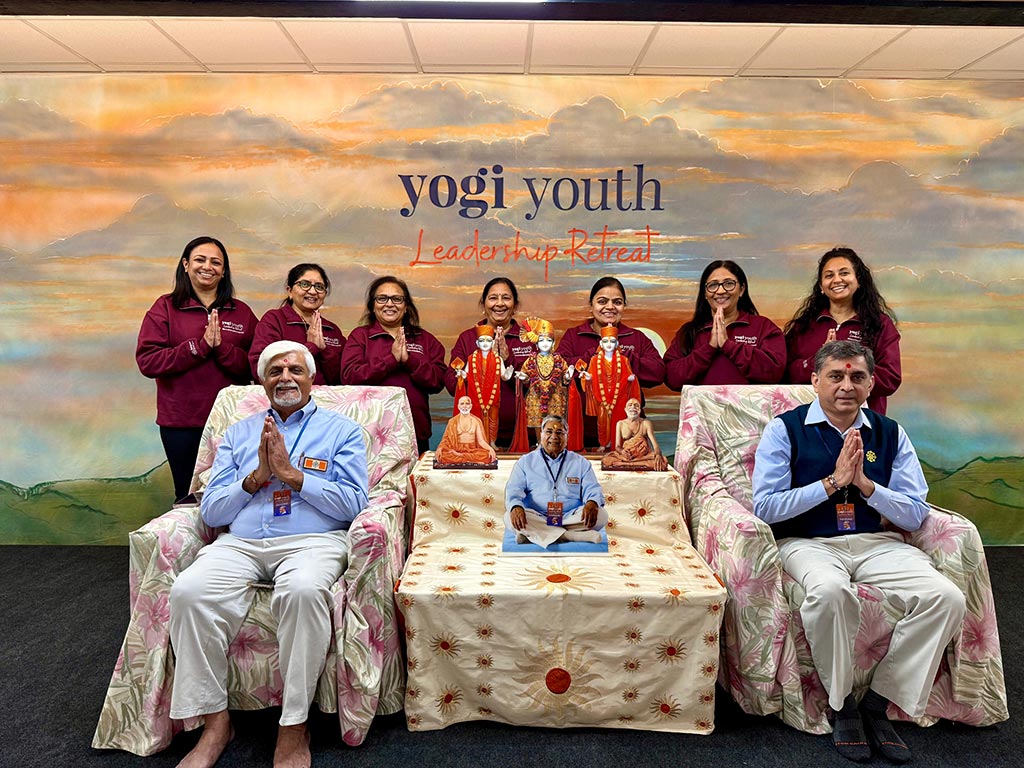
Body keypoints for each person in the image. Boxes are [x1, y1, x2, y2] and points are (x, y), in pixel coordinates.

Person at [752, 340, 965, 764]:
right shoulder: (785, 429)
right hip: (807, 542)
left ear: (871, 384)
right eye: (836, 376)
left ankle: (879, 701)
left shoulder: (890, 433)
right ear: (815, 381)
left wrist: (866, 486)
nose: (846, 386)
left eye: (857, 377)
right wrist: (832, 483)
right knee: (830, 592)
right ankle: (842, 704)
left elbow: (914, 512)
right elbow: (766, 508)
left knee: (947, 598)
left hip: (876, 543)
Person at [168, 340, 369, 768]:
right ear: (262, 382)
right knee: (188, 591)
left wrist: (293, 476)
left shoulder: (342, 431)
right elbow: (211, 510)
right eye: (275, 371)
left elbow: (354, 504)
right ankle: (215, 723)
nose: (285, 378)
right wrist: (256, 477)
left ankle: (294, 726)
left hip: (313, 541)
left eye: (295, 370)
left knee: (303, 591)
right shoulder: (239, 434)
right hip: (241, 542)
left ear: (312, 378)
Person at [137, 236, 257, 503]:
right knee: (188, 496)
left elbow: (256, 366)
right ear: (185, 265)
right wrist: (198, 348)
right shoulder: (165, 308)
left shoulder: (241, 312)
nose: (207, 267)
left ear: (224, 271)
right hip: (181, 422)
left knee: (236, 494)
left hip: (233, 422)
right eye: (200, 260)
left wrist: (222, 349)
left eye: (216, 262)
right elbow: (148, 361)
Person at [785, 247, 901, 414]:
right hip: (808, 422)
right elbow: (786, 373)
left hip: (862, 422)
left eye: (844, 273)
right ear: (821, 286)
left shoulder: (880, 324)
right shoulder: (804, 325)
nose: (837, 280)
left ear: (858, 280)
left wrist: (848, 364)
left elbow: (891, 378)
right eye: (829, 275)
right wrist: (819, 360)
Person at [339, 276, 446, 456]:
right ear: (373, 305)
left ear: (406, 306)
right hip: (370, 434)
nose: (389, 304)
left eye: (397, 299)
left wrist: (409, 361)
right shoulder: (360, 336)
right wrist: (391, 360)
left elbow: (438, 381)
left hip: (415, 433)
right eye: (382, 298)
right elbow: (349, 377)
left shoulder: (424, 339)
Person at [557, 276, 664, 448]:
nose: (610, 307)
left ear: (624, 306)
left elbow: (658, 372)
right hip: (581, 432)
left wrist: (625, 360)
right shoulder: (574, 336)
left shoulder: (636, 337)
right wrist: (594, 357)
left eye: (617, 302)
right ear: (591, 306)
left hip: (629, 435)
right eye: (602, 301)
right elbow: (559, 367)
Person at [664, 260, 785, 389]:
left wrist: (729, 346)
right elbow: (671, 378)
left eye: (729, 284)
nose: (721, 291)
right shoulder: (689, 331)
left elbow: (775, 372)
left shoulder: (763, 327)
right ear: (705, 293)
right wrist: (709, 348)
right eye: (713, 285)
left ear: (741, 289)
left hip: (750, 403)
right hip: (703, 403)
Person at [445, 277, 535, 448]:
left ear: (515, 305)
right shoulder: (467, 338)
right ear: (483, 304)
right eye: (493, 298)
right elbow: (451, 385)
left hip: (522, 436)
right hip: (474, 437)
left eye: (506, 298)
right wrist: (479, 362)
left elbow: (537, 386)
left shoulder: (528, 339)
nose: (499, 303)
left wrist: (508, 359)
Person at [505, 415, 607, 548]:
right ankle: (570, 536)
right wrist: (516, 507)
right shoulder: (525, 462)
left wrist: (592, 502)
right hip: (538, 516)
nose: (554, 437)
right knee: (508, 517)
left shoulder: (581, 462)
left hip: (570, 516)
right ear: (541, 435)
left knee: (601, 515)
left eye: (559, 432)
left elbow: (592, 488)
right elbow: (514, 490)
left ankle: (534, 534)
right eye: (549, 432)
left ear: (567, 437)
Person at [249, 263, 345, 385]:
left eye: (319, 287)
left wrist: (324, 351)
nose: (313, 291)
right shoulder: (274, 320)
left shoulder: (332, 330)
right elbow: (259, 367)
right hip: (284, 393)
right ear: (290, 291)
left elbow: (342, 378)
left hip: (326, 396)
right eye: (305, 284)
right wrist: (310, 347)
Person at [451, 324, 513, 447]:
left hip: (493, 396)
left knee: (493, 419)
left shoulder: (498, 359)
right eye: (482, 340)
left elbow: (503, 377)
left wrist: (508, 374)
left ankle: (492, 442)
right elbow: (467, 374)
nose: (485, 343)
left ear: (493, 343)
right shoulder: (471, 359)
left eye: (488, 341)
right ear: (477, 343)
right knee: (476, 418)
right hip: (476, 396)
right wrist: (461, 374)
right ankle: (477, 442)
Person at [581, 326, 640, 452]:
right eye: (605, 341)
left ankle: (617, 444)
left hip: (619, 396)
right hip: (601, 396)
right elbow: (591, 376)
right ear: (601, 343)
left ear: (617, 344)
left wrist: (630, 379)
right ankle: (603, 444)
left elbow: (628, 376)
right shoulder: (594, 360)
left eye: (612, 341)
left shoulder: (623, 360)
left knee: (619, 421)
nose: (609, 344)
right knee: (602, 422)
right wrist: (588, 378)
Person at [516, 317, 572, 438]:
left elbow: (564, 376)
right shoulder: (531, 359)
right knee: (537, 420)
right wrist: (523, 377)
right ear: (536, 344)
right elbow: (526, 375)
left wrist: (568, 376)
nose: (545, 343)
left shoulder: (558, 359)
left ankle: (554, 442)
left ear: (553, 343)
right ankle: (540, 442)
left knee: (554, 421)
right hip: (536, 395)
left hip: (555, 395)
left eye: (548, 340)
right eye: (541, 340)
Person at [602, 397, 667, 470]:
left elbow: (655, 446)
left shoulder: (646, 423)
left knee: (662, 461)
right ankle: (633, 463)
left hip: (643, 456)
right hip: (627, 456)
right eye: (630, 405)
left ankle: (627, 464)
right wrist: (622, 451)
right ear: (625, 409)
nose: (633, 407)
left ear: (639, 410)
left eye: (636, 405)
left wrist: (658, 454)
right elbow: (617, 446)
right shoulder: (620, 424)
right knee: (606, 460)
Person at [434, 396, 498, 466]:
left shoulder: (476, 421)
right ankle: (469, 460)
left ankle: (462, 458)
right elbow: (445, 439)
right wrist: (440, 448)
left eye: (467, 403)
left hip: (472, 450)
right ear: (458, 406)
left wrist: (490, 449)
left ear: (471, 406)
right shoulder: (452, 421)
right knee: (443, 455)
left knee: (486, 455)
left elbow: (481, 441)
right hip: (456, 450)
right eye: (462, 403)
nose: (464, 406)